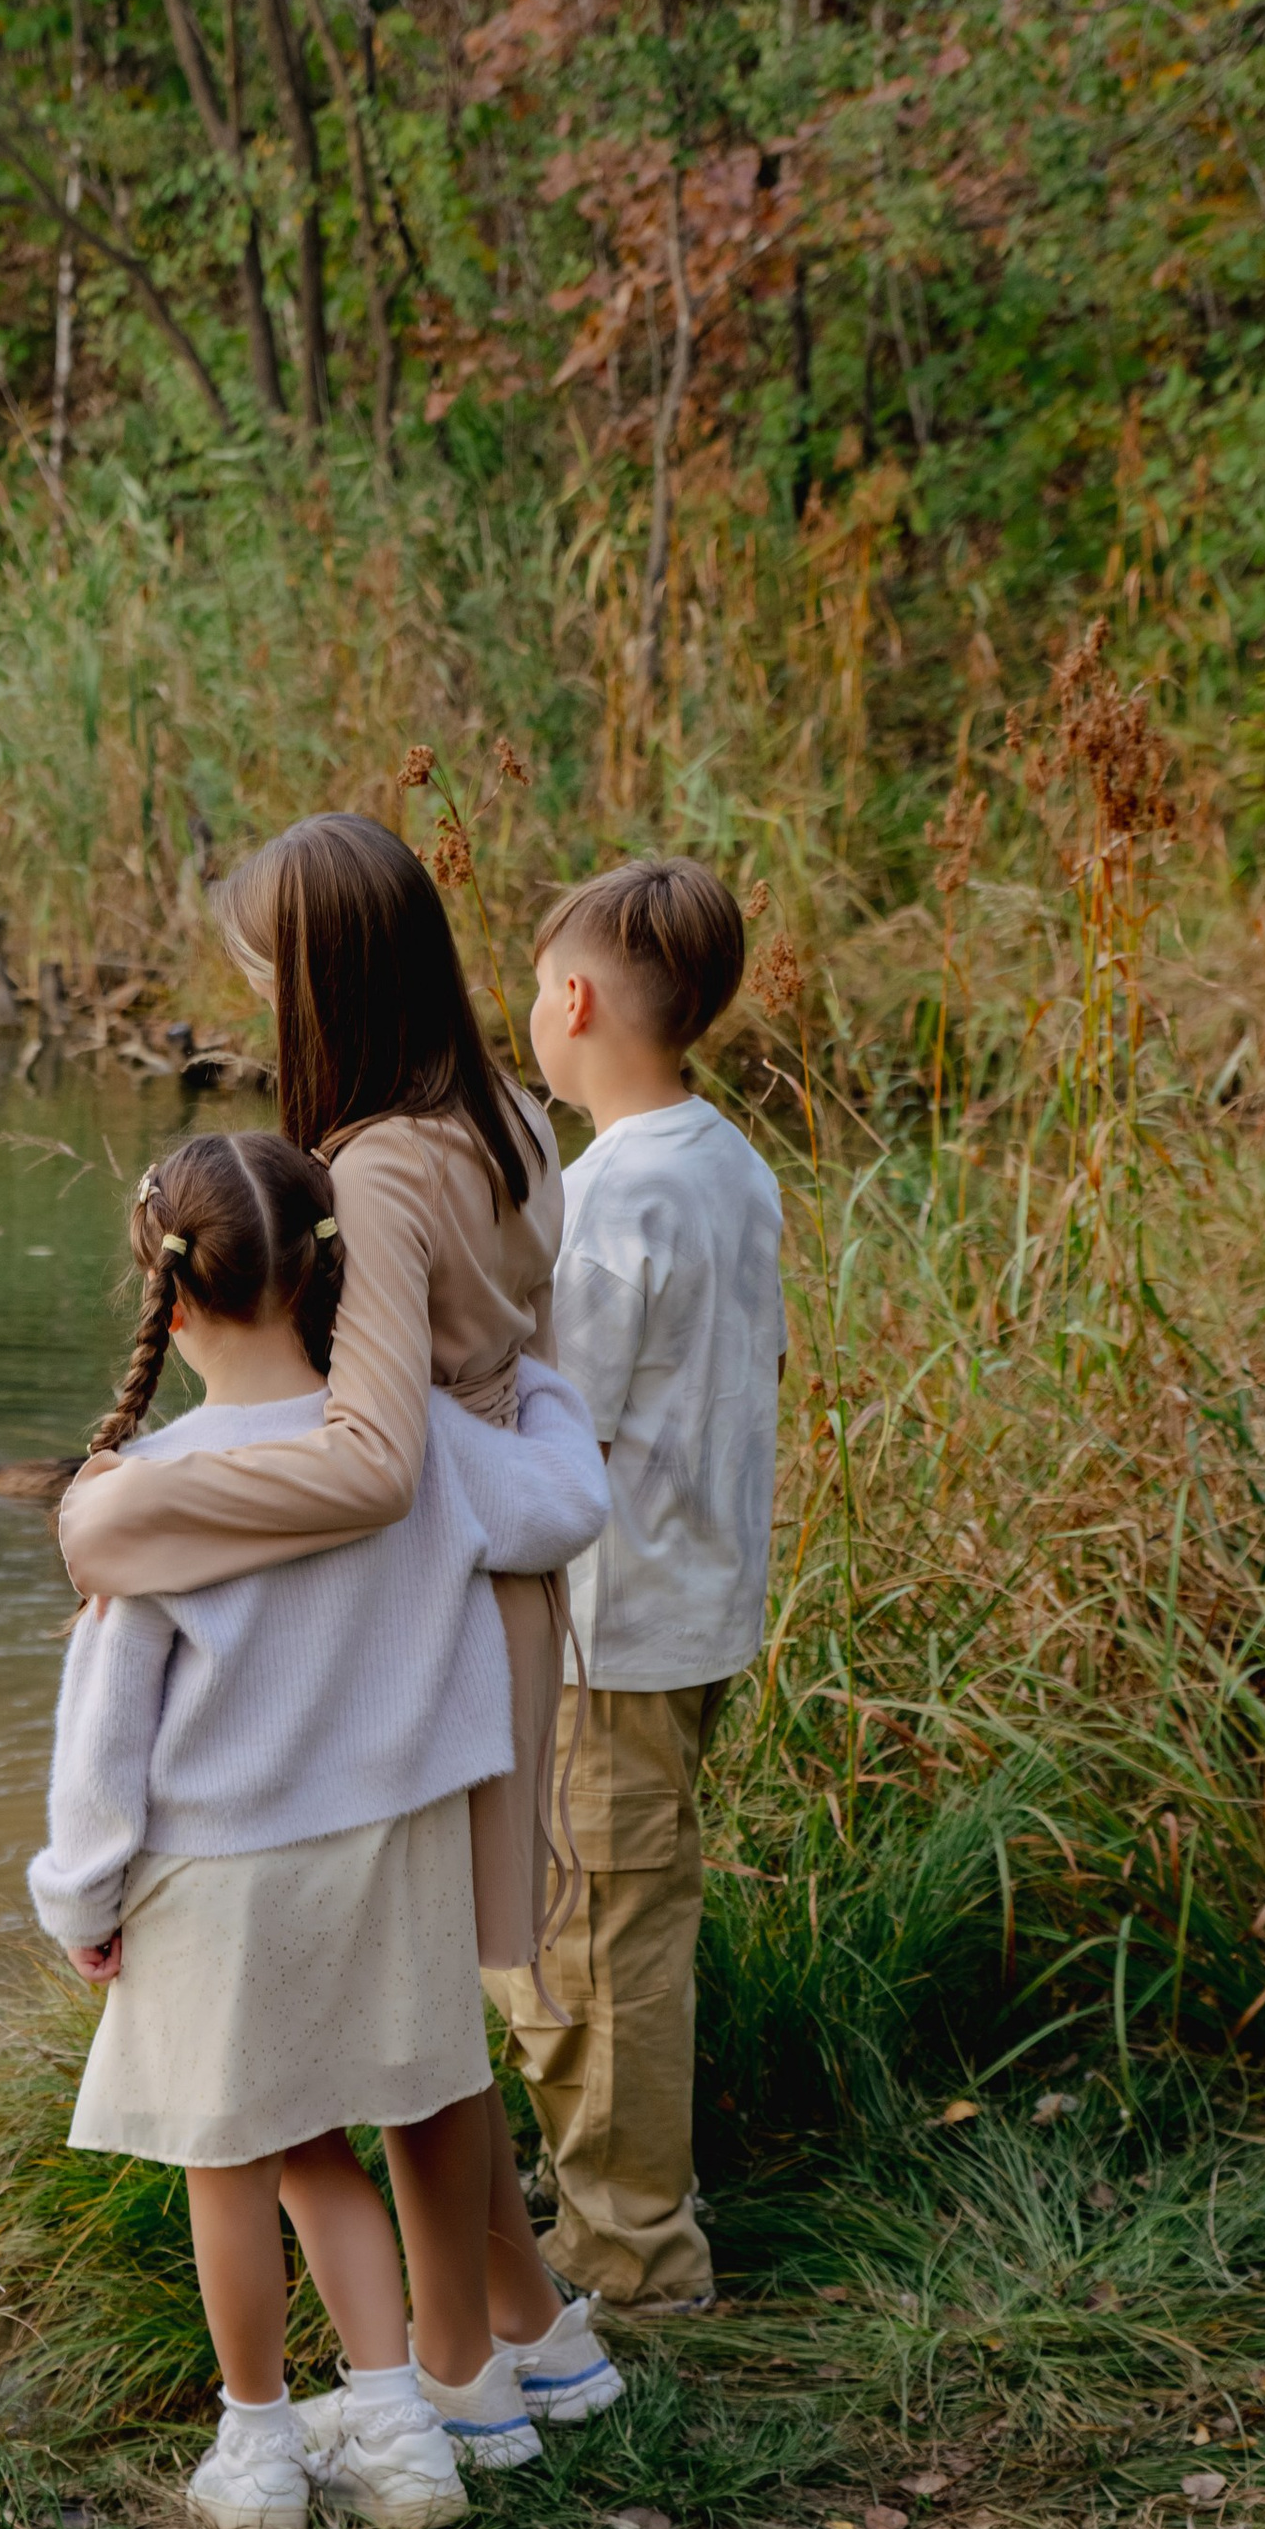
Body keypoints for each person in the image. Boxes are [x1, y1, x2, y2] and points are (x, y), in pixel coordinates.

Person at [57, 813, 611, 2458]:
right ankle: (529, 2332)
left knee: (425, 2036)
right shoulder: (501, 1110)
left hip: (410, 1606)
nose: (247, 988)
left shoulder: (374, 1163)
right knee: (428, 2011)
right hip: (477, 1580)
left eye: (260, 966)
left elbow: (369, 1459)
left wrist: (119, 1518)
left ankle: (460, 2376)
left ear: (319, 977)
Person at [504, 858, 784, 2313]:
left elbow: (566, 1430)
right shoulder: (730, 1163)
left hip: (612, 1631)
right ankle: (616, 2211)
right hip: (699, 1603)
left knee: (591, 1946)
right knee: (614, 1918)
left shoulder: (611, 1196)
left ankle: (631, 2261)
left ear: (574, 999)